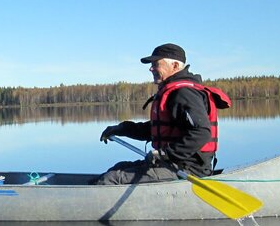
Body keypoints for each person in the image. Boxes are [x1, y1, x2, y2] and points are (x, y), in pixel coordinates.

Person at [97, 44, 231, 185]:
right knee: (118, 168)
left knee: (111, 179)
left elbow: (202, 133)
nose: (151, 68)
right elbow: (156, 130)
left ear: (174, 66)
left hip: (187, 169)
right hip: (172, 164)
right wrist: (120, 129)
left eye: (156, 64)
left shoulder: (184, 93)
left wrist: (164, 154)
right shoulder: (175, 92)